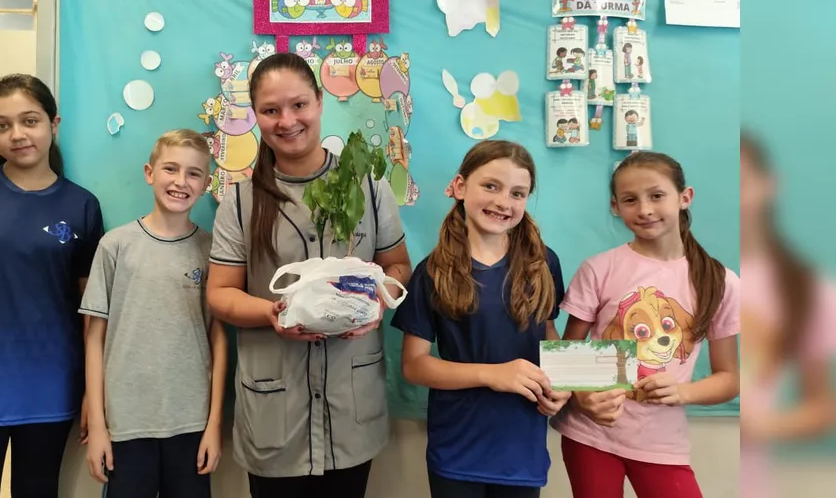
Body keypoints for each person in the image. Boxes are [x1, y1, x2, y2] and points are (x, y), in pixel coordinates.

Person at [206, 52, 412, 498]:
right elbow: (220, 295)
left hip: (349, 404)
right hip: (275, 409)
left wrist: (377, 301)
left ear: (320, 102)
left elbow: (398, 266)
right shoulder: (240, 202)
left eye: (298, 104)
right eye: (270, 110)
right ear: (255, 115)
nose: (286, 120)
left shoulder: (369, 188)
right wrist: (271, 314)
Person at [0, 74, 105, 497]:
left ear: (53, 124)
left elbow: (92, 311)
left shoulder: (82, 205)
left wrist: (92, 397)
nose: (18, 134)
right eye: (3, 125)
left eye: (30, 120)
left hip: (53, 389)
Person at [551, 151, 740, 498]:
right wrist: (582, 397)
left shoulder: (720, 280)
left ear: (685, 197)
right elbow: (565, 358)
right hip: (590, 435)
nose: (645, 209)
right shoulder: (600, 268)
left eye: (656, 195)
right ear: (615, 206)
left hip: (662, 443)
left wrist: (684, 391)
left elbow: (729, 379)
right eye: (630, 200)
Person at [393, 140, 571, 498]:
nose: (504, 202)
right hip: (458, 447)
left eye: (518, 193)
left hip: (522, 445)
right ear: (460, 187)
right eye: (491, 186)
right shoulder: (433, 271)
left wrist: (562, 386)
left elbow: (550, 335)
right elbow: (414, 366)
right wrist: (493, 375)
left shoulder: (543, 263)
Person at [80, 129, 227, 497]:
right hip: (126, 424)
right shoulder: (115, 246)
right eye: (171, 169)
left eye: (194, 173)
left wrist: (214, 424)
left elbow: (219, 339)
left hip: (191, 424)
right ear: (150, 173)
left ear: (207, 183)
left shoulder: (213, 252)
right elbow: (94, 338)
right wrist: (98, 425)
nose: (181, 181)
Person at [738, 132, 836, 498]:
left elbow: (822, 407)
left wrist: (764, 426)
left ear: (769, 185)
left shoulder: (807, 288)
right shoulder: (700, 273)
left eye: (743, 182)